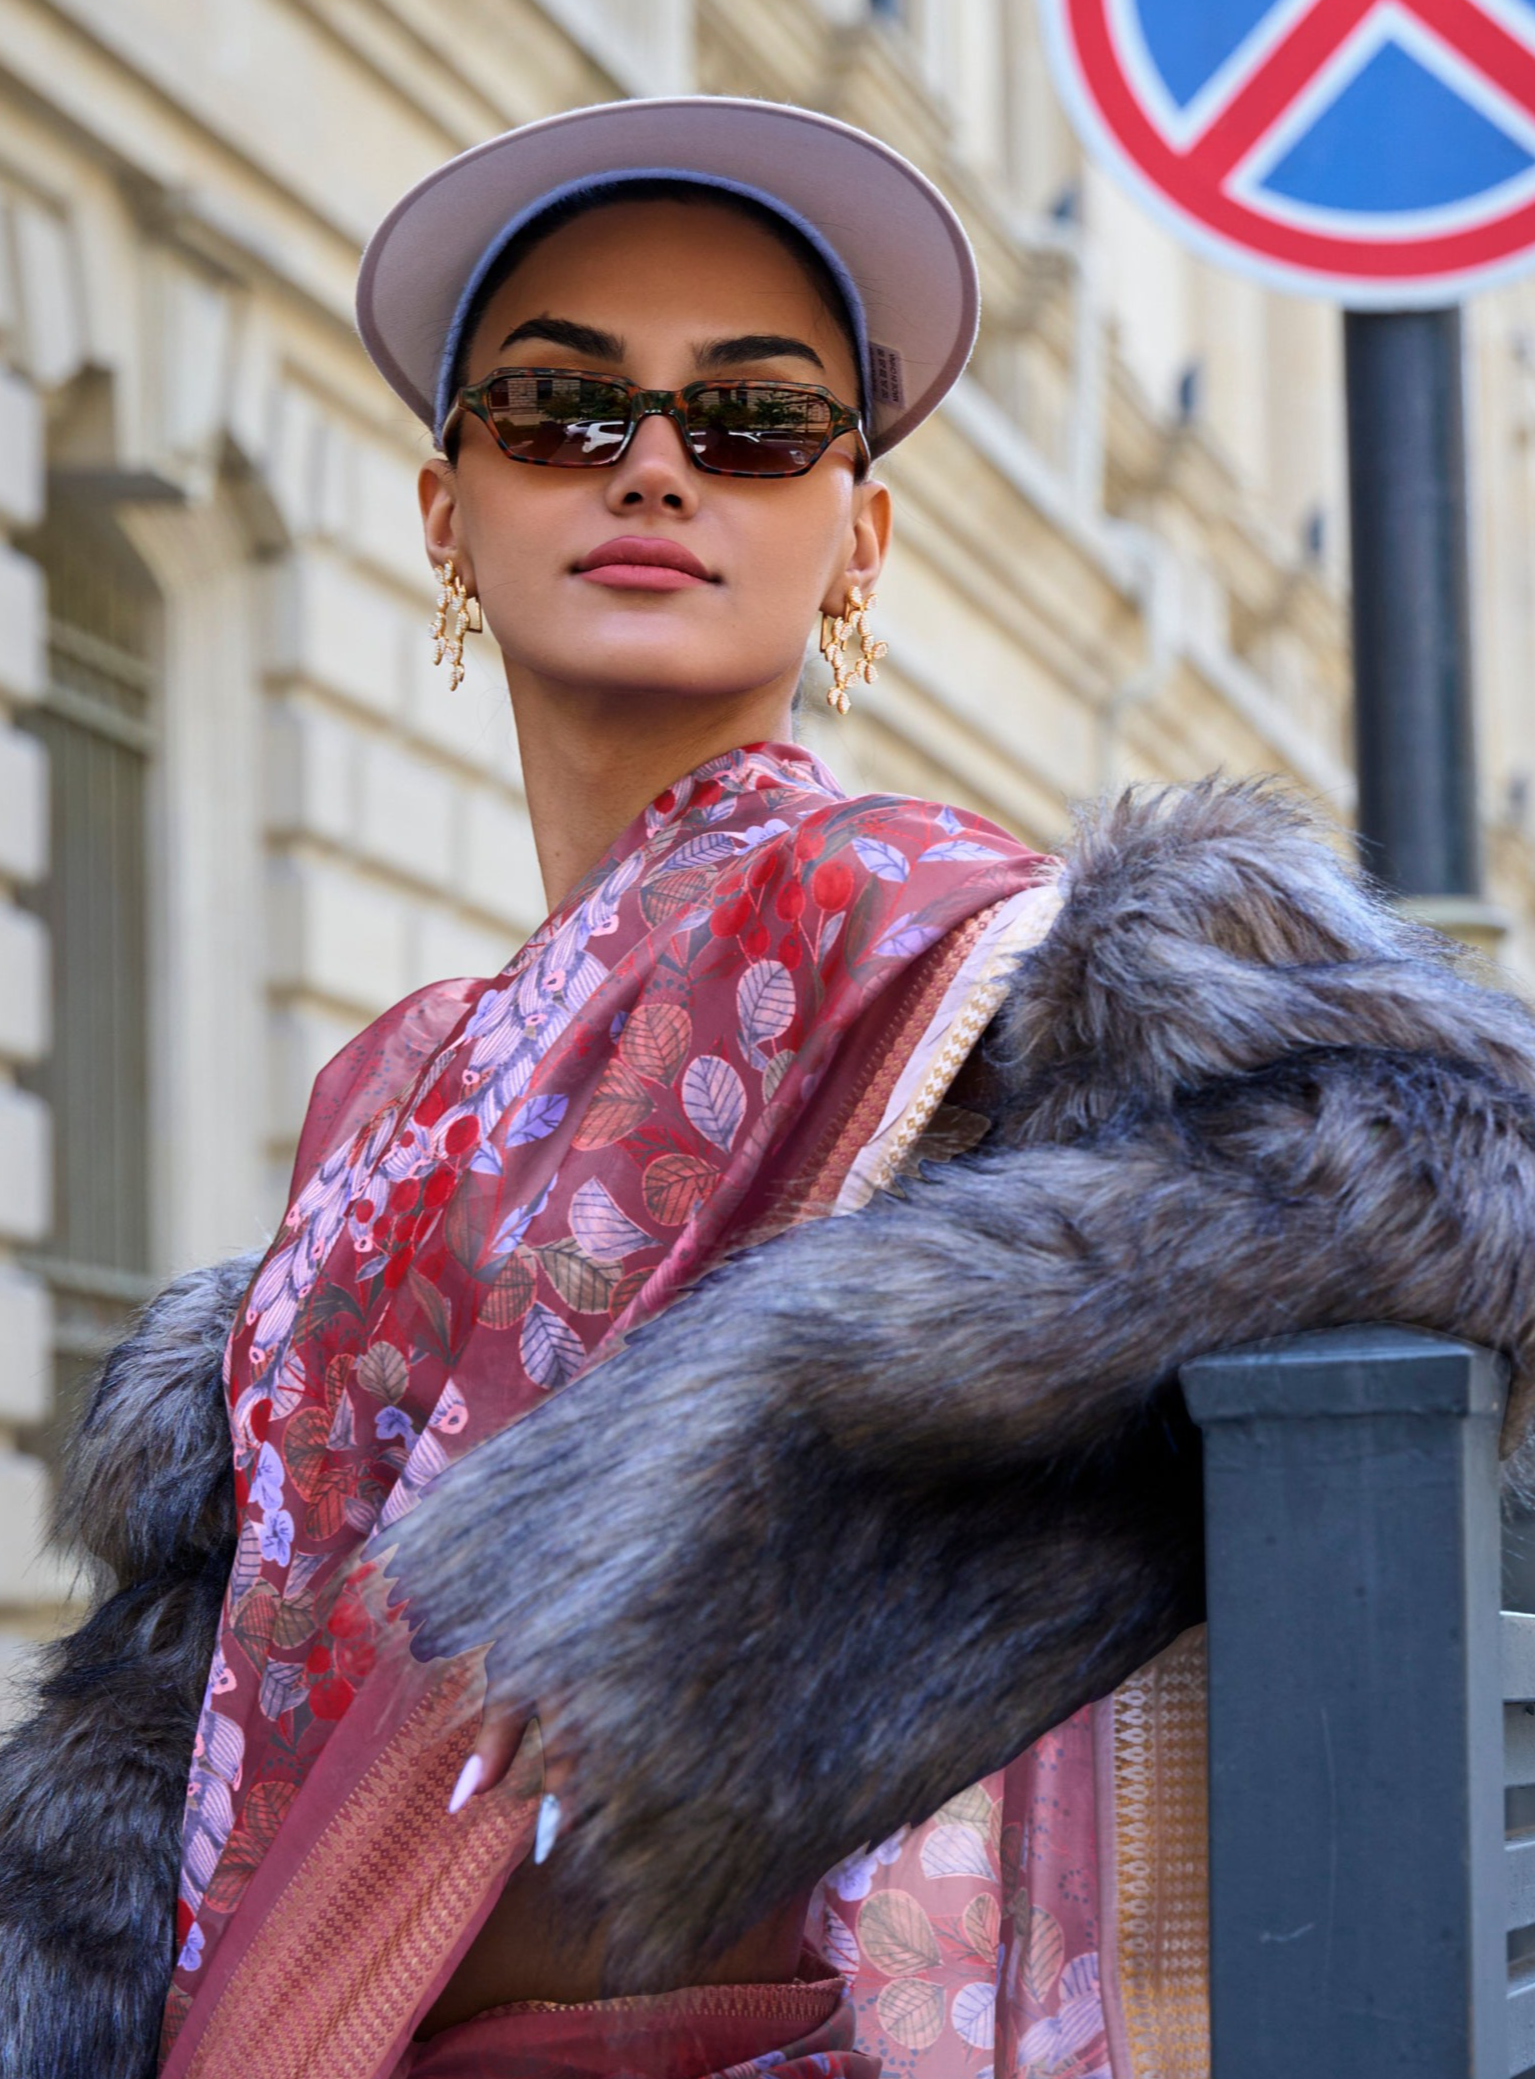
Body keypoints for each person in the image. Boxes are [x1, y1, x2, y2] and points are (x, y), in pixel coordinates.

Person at [7, 94, 1535, 2079]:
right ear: (444, 509)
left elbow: (1448, 1178)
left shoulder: (975, 952)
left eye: (748, 422)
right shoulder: (388, 1097)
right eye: (560, 410)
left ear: (854, 534)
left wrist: (767, 1634)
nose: (651, 467)